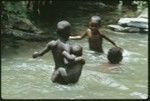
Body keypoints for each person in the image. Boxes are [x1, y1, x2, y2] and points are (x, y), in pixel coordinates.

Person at [32, 20, 84, 85]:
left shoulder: (52, 44)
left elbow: (40, 54)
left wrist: (35, 54)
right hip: (64, 74)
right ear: (68, 34)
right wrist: (79, 60)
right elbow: (69, 61)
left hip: (56, 73)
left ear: (57, 32)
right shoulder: (67, 46)